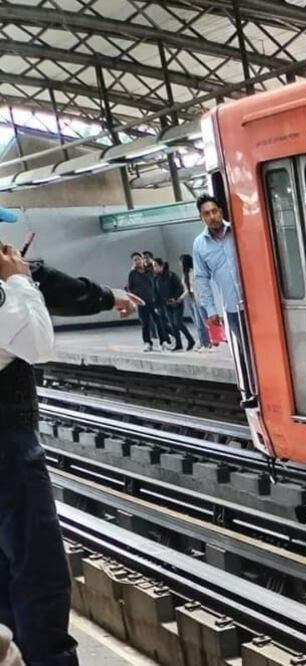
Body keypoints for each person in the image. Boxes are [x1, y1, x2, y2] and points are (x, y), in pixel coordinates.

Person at [1, 207, 142, 666]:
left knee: (6, 568)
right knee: (37, 569)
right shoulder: (6, 290)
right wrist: (18, 281)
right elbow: (37, 343)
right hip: (8, 444)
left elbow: (51, 281)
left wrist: (107, 296)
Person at [192, 195, 254, 392]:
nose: (212, 217)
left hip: (256, 304)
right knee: (247, 352)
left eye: (214, 211)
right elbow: (201, 278)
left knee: (264, 348)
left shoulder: (238, 231)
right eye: (206, 214)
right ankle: (256, 391)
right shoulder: (199, 244)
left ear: (221, 211)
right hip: (233, 309)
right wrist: (210, 310)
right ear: (201, 217)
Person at [153, 258, 194, 352]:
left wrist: (175, 298)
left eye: (155, 265)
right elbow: (156, 293)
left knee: (178, 322)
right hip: (166, 304)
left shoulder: (171, 275)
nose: (154, 268)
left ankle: (190, 340)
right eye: (153, 266)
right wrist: (156, 305)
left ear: (161, 266)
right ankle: (178, 344)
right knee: (172, 324)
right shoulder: (156, 278)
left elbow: (179, 288)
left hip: (176, 302)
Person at [126, 252, 164, 351]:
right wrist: (136, 298)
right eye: (134, 260)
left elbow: (156, 284)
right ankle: (147, 343)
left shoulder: (150, 271)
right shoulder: (132, 274)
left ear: (142, 259)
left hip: (153, 301)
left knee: (159, 322)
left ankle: (163, 342)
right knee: (145, 324)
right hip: (141, 302)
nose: (137, 261)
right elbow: (130, 289)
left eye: (138, 259)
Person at [179, 254, 211, 350]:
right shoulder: (186, 274)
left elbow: (196, 287)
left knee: (204, 322)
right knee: (198, 323)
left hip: (199, 299)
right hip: (192, 300)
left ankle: (208, 342)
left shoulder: (195, 272)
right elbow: (187, 289)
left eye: (180, 262)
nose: (179, 264)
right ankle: (203, 342)